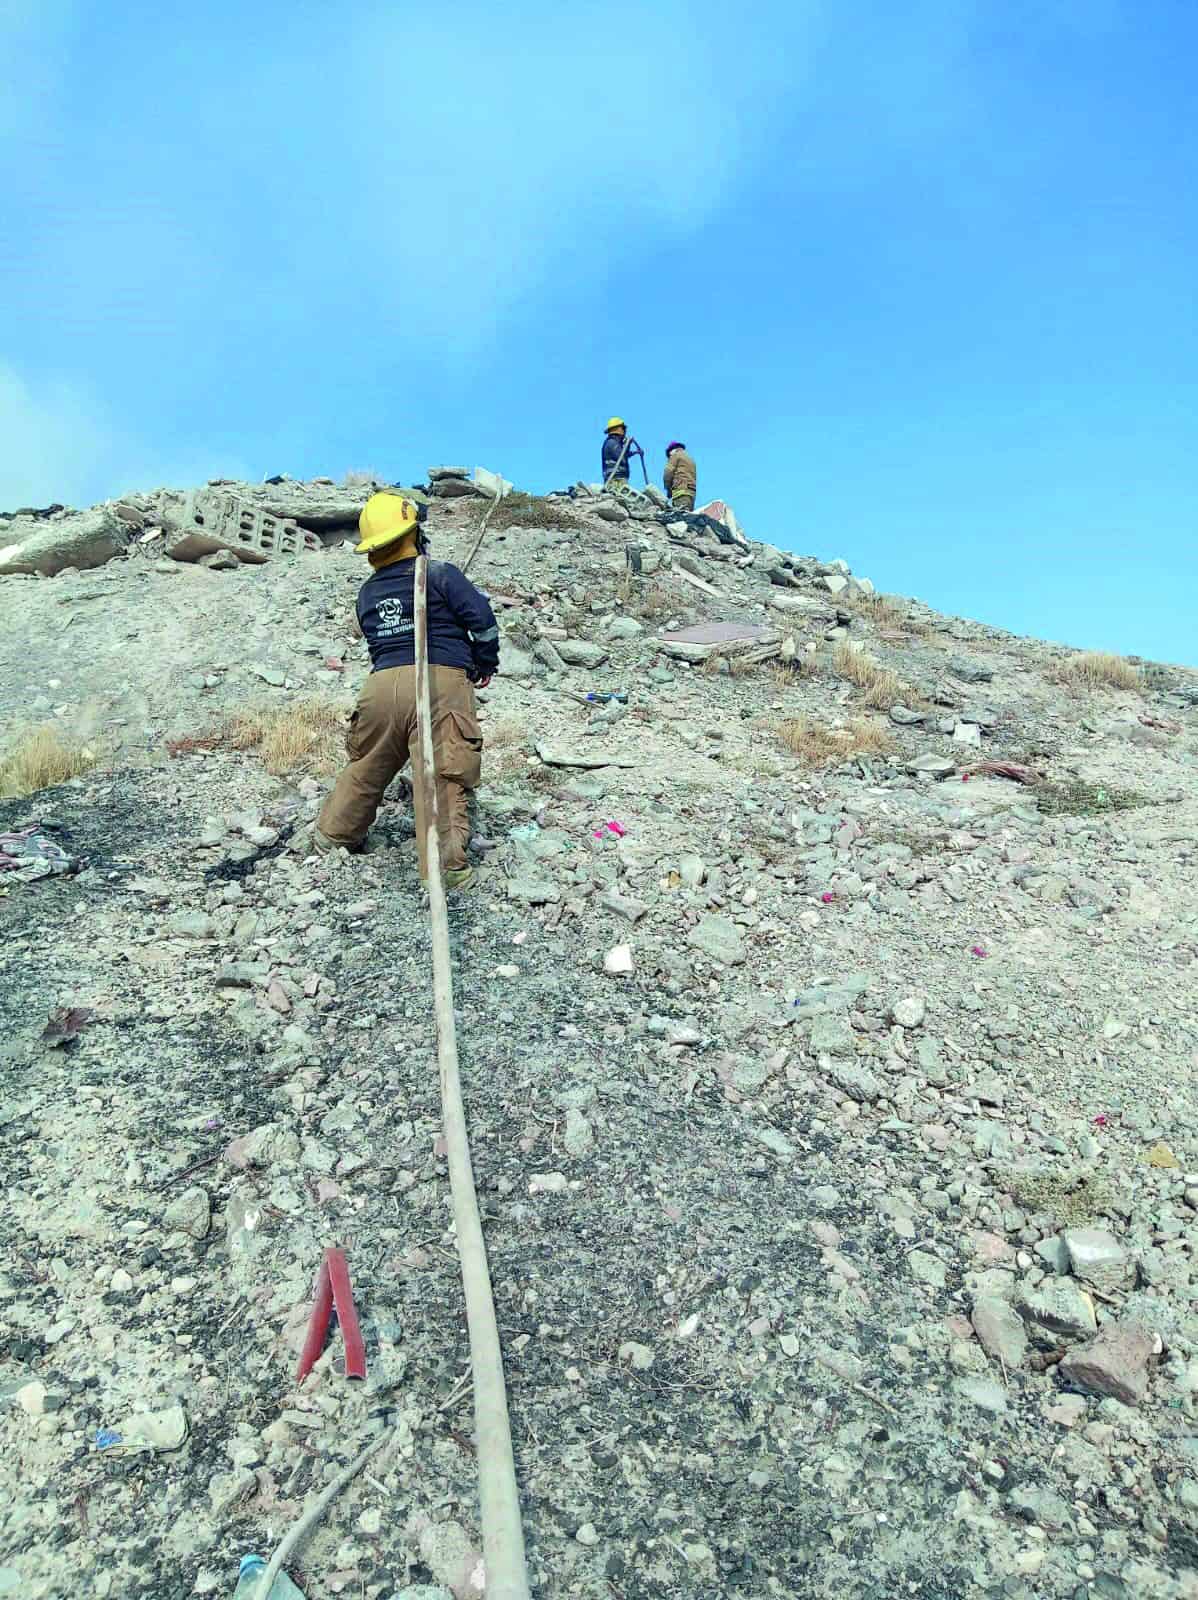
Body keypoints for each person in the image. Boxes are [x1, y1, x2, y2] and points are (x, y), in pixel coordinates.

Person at [314, 491, 499, 890]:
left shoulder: (367, 593)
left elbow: (373, 638)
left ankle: (333, 835)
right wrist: (484, 663)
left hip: (381, 687)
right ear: (413, 533)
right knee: (441, 773)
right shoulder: (441, 574)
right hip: (439, 684)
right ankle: (446, 868)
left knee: (367, 764)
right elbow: (483, 622)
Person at [602, 417, 643, 484]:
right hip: (616, 480)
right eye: (623, 428)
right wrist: (627, 444)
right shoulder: (612, 443)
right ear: (618, 429)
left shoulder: (615, 443)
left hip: (619, 479)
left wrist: (635, 452)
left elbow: (623, 454)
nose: (625, 431)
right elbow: (622, 457)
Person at [663, 441, 696, 511]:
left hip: (680, 492)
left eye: (669, 455)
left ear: (672, 450)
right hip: (691, 494)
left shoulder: (675, 455)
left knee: (680, 514)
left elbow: (668, 472)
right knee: (688, 515)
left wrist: (668, 489)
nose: (669, 457)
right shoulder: (689, 458)